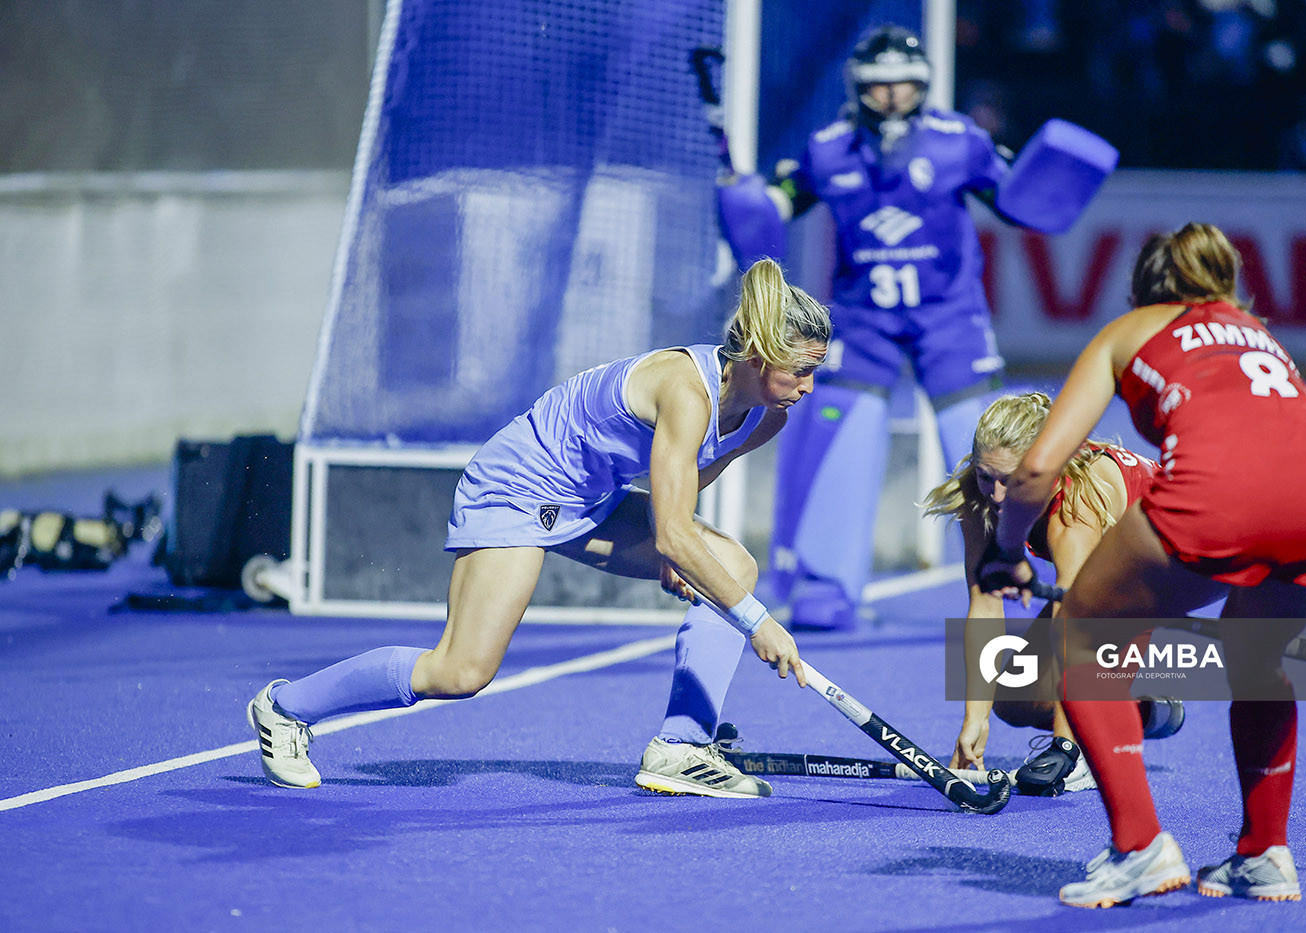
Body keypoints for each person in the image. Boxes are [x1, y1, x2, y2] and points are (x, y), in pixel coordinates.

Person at [248, 258, 830, 798]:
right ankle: (285, 707)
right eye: (801, 369)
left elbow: (677, 493)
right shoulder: (685, 388)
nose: (809, 387)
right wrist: (757, 621)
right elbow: (675, 531)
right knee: (460, 670)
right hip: (518, 488)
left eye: (816, 370)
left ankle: (681, 747)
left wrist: (681, 558)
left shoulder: (764, 417)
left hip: (590, 500)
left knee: (732, 567)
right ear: (757, 354)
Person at [978, 223, 1306, 907]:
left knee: (1080, 636)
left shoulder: (1130, 330)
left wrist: (1006, 549)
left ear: (1143, 287)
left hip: (1221, 493)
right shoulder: (1254, 330)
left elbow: (1039, 465)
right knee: (1257, 662)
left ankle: (1138, 845)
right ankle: (1265, 851)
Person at [716, 24, 1116, 630]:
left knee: (993, 443)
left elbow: (1020, 200)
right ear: (857, 88)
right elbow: (775, 212)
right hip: (861, 324)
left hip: (949, 320)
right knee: (840, 440)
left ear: (923, 84)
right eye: (879, 87)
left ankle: (1027, 560)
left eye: (905, 84)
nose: (893, 97)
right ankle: (826, 584)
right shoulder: (827, 148)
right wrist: (748, 200)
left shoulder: (960, 141)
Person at [921, 392, 1181, 796]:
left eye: (1011, 480)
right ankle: (1140, 712)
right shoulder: (978, 494)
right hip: (1102, 582)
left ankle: (1094, 742)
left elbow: (1079, 622)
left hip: (1170, 558)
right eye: (987, 475)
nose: (997, 495)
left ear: (1044, 468)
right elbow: (985, 604)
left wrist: (1066, 746)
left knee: (1084, 638)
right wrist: (976, 720)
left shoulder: (1076, 507)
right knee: (1014, 700)